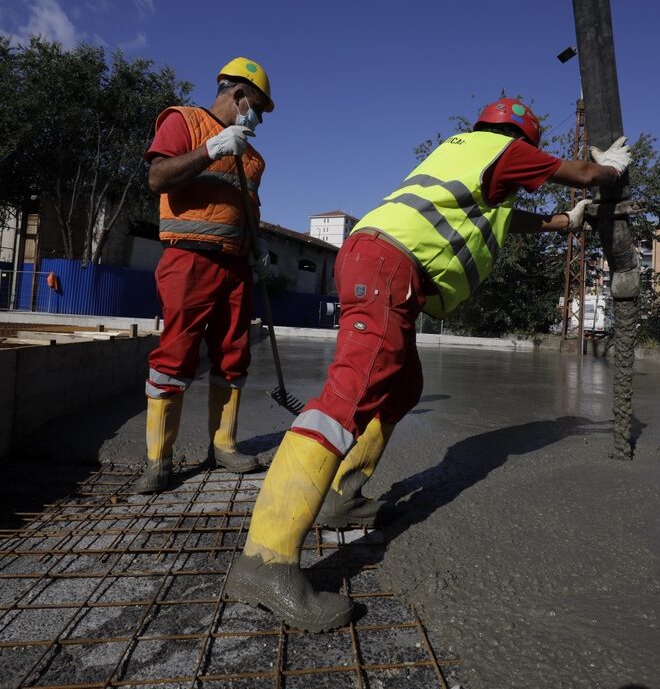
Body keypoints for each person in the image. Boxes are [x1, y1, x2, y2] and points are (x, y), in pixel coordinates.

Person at [224, 97, 631, 631]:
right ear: (520, 139)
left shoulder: (470, 162)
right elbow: (578, 172)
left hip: (381, 262)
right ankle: (265, 559)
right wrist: (609, 170)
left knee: (402, 385)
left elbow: (514, 220)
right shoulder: (505, 151)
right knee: (344, 401)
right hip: (389, 266)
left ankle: (341, 497)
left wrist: (564, 223)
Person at [134, 57, 275, 494]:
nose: (259, 118)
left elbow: (246, 208)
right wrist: (212, 148)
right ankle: (159, 462)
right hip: (189, 261)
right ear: (237, 94)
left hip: (235, 266)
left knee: (234, 357)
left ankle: (224, 446)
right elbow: (158, 178)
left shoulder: (252, 157)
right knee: (175, 356)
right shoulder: (184, 122)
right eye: (257, 107)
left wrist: (258, 245)